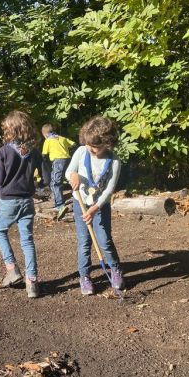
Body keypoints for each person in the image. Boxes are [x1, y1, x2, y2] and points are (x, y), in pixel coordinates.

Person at [0, 110, 42, 298]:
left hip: (8, 201)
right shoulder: (35, 152)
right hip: (27, 201)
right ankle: (32, 283)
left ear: (10, 130)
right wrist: (32, 182)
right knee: (27, 240)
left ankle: (12, 269)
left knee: (0, 231)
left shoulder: (4, 151)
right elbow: (45, 178)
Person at [65, 116, 124, 295]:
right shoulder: (82, 151)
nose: (91, 149)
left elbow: (109, 190)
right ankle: (84, 276)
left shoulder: (114, 161)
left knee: (105, 240)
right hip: (81, 203)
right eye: (89, 144)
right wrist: (73, 176)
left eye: (96, 147)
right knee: (84, 242)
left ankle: (115, 269)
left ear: (108, 143)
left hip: (99, 207)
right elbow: (70, 171)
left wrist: (95, 208)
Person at [41, 124, 76, 220]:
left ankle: (60, 205)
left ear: (44, 134)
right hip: (68, 160)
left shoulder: (48, 140)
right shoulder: (62, 138)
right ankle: (75, 198)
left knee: (55, 183)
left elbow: (44, 155)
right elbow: (73, 144)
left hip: (58, 161)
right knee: (68, 179)